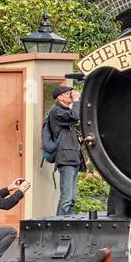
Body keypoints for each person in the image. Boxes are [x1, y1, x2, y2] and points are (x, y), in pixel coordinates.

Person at [47, 83, 83, 216]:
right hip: (66, 159)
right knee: (66, 199)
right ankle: (59, 226)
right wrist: (77, 101)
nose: (72, 95)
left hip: (72, 159)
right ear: (60, 97)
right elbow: (76, 116)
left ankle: (68, 223)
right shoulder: (56, 111)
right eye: (69, 93)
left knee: (72, 199)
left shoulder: (65, 112)